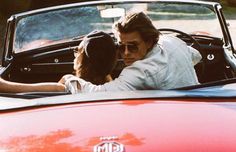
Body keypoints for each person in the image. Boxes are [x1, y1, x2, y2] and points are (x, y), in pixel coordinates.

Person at [63, 11, 202, 93]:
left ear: (149, 41)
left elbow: (97, 94)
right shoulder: (172, 42)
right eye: (121, 47)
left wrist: (69, 80)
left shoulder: (141, 72)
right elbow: (196, 55)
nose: (126, 53)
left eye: (133, 46)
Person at [0, 30, 117, 93]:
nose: (75, 55)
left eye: (77, 51)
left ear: (85, 61)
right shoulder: (117, 88)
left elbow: (5, 87)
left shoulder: (70, 86)